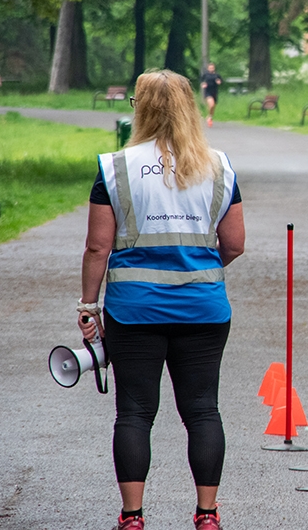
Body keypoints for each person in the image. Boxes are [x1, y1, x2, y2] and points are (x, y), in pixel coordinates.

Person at [78, 69, 245, 530]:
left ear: (140, 107)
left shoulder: (115, 167)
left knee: (134, 411)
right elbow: (234, 243)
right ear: (192, 106)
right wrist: (200, 273)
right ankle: (207, 513)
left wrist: (89, 307)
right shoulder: (220, 166)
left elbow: (97, 247)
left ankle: (133, 516)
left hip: (134, 310)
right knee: (202, 409)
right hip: (204, 308)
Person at [199, 63, 222, 128]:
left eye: (212, 68)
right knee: (211, 105)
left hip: (214, 92)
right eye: (210, 68)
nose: (211, 69)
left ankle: (210, 116)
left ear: (214, 68)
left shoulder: (217, 75)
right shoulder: (205, 75)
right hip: (207, 92)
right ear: (208, 68)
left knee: (213, 106)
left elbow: (221, 81)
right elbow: (201, 80)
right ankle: (209, 117)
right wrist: (203, 83)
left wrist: (219, 82)